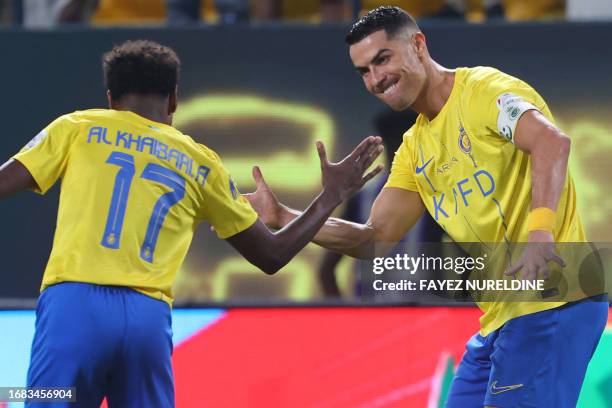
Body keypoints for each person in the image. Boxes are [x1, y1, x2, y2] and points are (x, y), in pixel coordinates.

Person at [246, 6, 608, 407]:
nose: (376, 78)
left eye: (383, 59)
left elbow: (552, 143)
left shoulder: (483, 90)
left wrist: (541, 235)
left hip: (555, 295)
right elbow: (373, 239)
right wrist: (285, 216)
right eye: (364, 71)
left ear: (418, 45)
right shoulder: (415, 149)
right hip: (500, 315)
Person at [0, 40, 383, 407]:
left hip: (75, 309)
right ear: (173, 100)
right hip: (147, 321)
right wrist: (330, 196)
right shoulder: (202, 163)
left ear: (111, 100)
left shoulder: (77, 128)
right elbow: (272, 255)